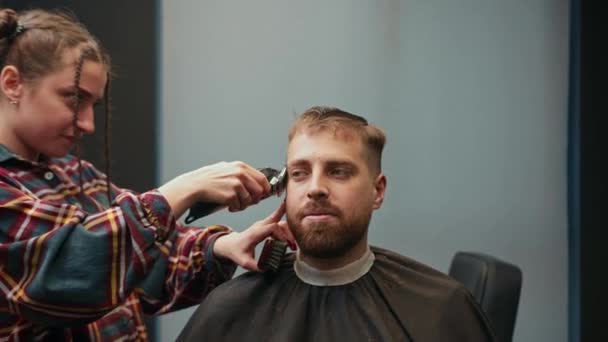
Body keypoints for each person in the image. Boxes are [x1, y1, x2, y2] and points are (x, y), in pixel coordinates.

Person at [0, 7, 295, 341]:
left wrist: (224, 247)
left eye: (92, 106)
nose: (87, 124)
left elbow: (149, 264)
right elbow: (74, 275)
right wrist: (185, 188)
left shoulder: (77, 174)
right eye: (73, 98)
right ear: (13, 84)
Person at [177, 106, 498, 342]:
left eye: (338, 171)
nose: (315, 188)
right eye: (300, 173)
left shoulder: (439, 309)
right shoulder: (229, 310)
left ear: (378, 190)